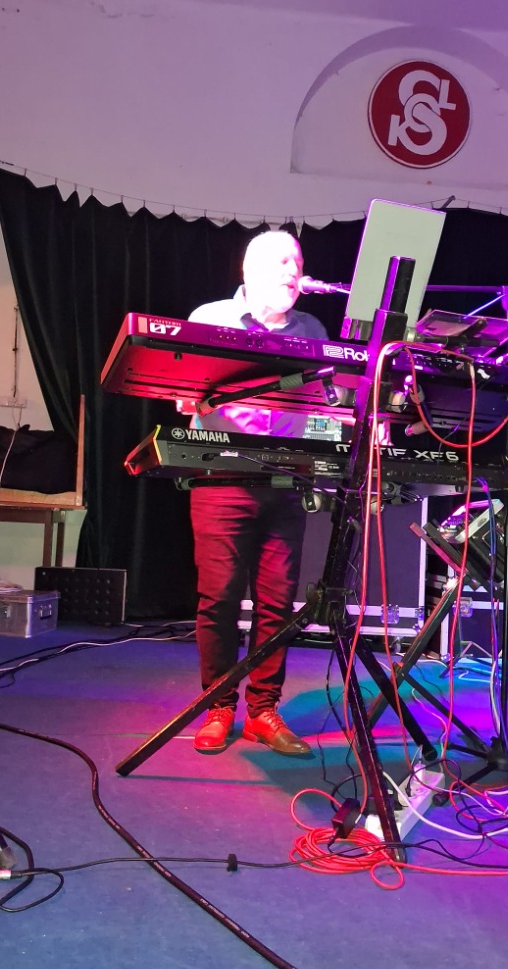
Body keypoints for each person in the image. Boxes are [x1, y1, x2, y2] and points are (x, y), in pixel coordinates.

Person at [187, 230, 328, 755]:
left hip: (287, 481)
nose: (293, 271)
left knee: (277, 603)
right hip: (221, 479)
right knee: (219, 598)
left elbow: (324, 399)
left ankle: (263, 710)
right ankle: (218, 706)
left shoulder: (311, 328)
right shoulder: (210, 318)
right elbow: (181, 389)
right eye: (281, 261)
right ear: (249, 270)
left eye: (298, 262)